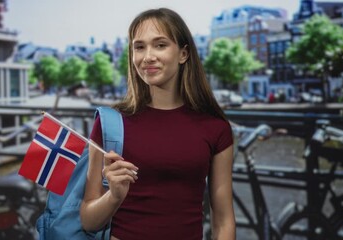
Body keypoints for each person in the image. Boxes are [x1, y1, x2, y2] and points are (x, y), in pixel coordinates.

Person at [80, 8, 236, 240]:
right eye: (139, 47)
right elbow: (88, 221)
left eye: (160, 45)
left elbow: (223, 222)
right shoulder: (110, 122)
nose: (148, 56)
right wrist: (113, 196)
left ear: (183, 54)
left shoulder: (215, 128)